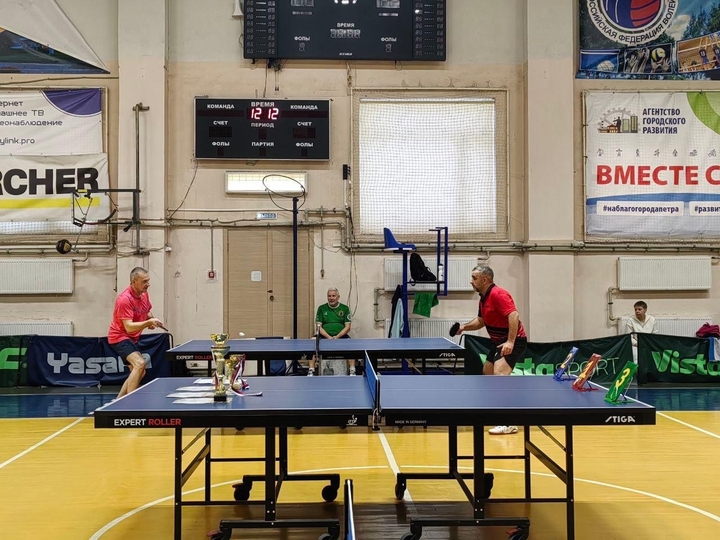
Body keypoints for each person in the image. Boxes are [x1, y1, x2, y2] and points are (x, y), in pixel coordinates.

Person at [456, 265, 527, 435]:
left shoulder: (498, 294)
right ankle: (496, 413)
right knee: (488, 374)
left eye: (474, 278)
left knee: (500, 378)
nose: (471, 281)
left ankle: (508, 422)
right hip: (498, 341)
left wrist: (510, 341)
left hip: (513, 341)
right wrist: (464, 327)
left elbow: (513, 315)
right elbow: (481, 321)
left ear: (484, 280)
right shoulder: (483, 298)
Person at [108, 267, 163, 398]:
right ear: (134, 281)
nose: (148, 284)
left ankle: (118, 401)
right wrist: (148, 323)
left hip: (132, 338)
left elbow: (146, 311)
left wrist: (151, 320)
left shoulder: (144, 295)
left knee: (140, 371)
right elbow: (129, 327)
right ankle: (130, 403)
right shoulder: (124, 299)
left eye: (148, 280)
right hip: (119, 337)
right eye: (144, 281)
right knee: (140, 364)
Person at [308, 287, 355, 376]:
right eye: (329, 296)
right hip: (324, 335)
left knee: (350, 343)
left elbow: (348, 327)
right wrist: (329, 337)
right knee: (312, 342)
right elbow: (318, 327)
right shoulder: (321, 308)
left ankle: (352, 369)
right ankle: (311, 370)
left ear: (338, 297)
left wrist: (337, 337)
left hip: (340, 335)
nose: (331, 298)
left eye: (333, 296)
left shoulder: (345, 308)